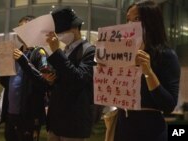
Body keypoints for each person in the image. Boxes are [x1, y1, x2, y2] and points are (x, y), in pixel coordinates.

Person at [112, 1, 181, 141]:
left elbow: (168, 105)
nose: (130, 24)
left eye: (136, 19)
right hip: (123, 127)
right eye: (128, 20)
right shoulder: (122, 54)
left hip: (150, 131)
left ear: (151, 22)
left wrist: (148, 72)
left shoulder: (166, 55)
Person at [0, 15, 50, 141]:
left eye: (24, 28)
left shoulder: (39, 53)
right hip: (11, 113)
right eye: (18, 28)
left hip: (29, 114)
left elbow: (43, 82)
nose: (19, 32)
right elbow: (7, 83)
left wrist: (24, 61)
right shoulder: (15, 52)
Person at [45, 6, 96, 141]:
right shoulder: (65, 50)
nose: (59, 36)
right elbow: (62, 79)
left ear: (74, 28)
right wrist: (51, 79)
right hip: (56, 120)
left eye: (61, 32)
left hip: (73, 123)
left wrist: (56, 53)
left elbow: (78, 79)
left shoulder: (89, 50)